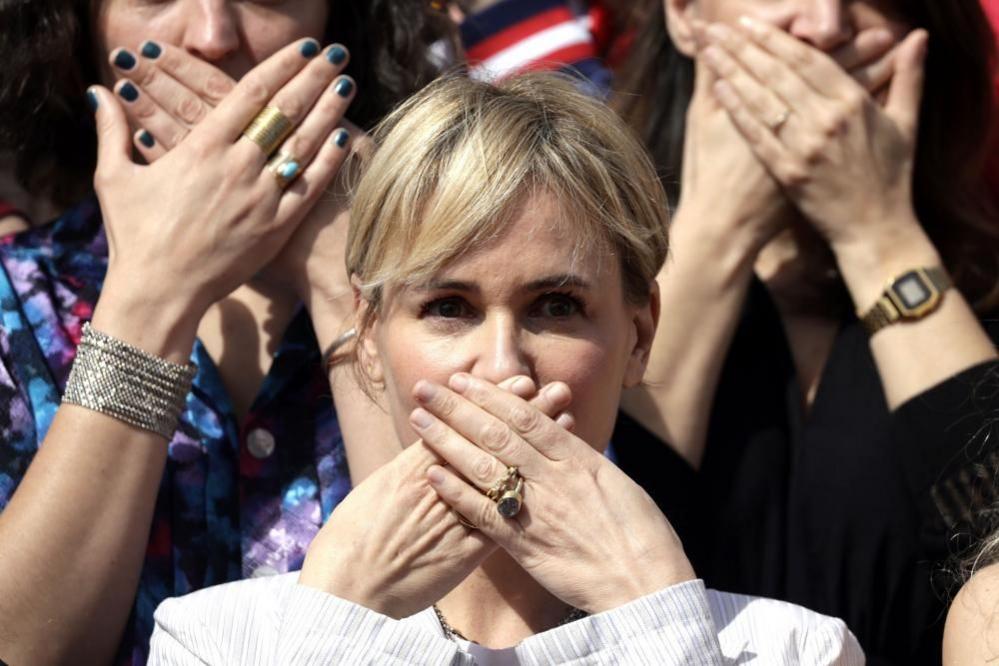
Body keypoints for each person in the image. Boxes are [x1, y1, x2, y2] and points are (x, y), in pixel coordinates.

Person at [146, 71, 863, 665]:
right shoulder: (216, 642)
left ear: (638, 335)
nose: (502, 369)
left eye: (554, 306)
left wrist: (657, 622)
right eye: (448, 306)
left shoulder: (791, 648)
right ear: (368, 339)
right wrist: (335, 628)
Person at [449, 1, 999, 662]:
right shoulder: (563, 271)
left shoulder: (978, 292)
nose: (824, 24)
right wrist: (718, 226)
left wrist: (877, 233)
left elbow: (986, 543)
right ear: (683, 14)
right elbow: (574, 505)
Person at [0, 1, 454, 663]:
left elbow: (479, 619)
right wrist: (153, 297)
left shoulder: (466, 287)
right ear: (76, 38)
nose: (213, 36)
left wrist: (345, 281)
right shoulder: (15, 297)